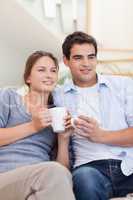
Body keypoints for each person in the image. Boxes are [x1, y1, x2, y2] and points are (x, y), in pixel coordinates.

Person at [53, 31, 133, 200]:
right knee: (85, 181)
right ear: (66, 61)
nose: (86, 64)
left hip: (129, 166)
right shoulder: (58, 95)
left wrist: (101, 135)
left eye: (91, 57)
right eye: (78, 58)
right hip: (90, 169)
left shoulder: (123, 85)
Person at [0, 51, 75, 200]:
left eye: (53, 71)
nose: (49, 75)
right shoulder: (8, 97)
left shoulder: (57, 114)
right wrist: (33, 126)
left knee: (56, 177)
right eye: (41, 70)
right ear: (28, 78)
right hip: (5, 177)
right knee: (52, 172)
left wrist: (63, 139)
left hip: (40, 181)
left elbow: (63, 173)